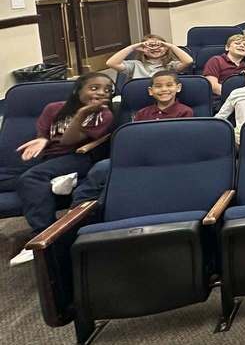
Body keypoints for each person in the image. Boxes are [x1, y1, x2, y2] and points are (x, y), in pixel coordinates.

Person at [4, 72, 114, 266]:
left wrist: (81, 115)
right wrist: (42, 139)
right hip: (48, 158)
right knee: (15, 177)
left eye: (107, 90)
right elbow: (43, 133)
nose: (101, 93)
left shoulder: (103, 115)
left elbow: (69, 140)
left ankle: (44, 235)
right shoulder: (53, 108)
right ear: (78, 90)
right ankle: (56, 182)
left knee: (30, 179)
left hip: (77, 157)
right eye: (94, 88)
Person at [69, 70, 193, 215]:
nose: (164, 89)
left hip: (167, 158)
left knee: (118, 182)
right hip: (137, 155)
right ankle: (76, 209)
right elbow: (133, 136)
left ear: (178, 88)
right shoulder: (142, 113)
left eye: (169, 85)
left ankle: (100, 210)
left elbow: (180, 140)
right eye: (158, 86)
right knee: (101, 168)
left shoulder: (185, 112)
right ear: (151, 91)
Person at [106, 34, 193, 80]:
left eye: (159, 45)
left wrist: (170, 46)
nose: (155, 48)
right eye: (150, 46)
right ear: (142, 49)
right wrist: (133, 47)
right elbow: (111, 63)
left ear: (166, 48)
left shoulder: (171, 66)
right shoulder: (135, 65)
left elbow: (188, 61)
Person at [203, 33, 245, 97]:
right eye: (237, 43)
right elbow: (213, 86)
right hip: (220, 98)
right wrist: (235, 96)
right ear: (227, 47)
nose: (241, 46)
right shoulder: (216, 60)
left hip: (243, 98)